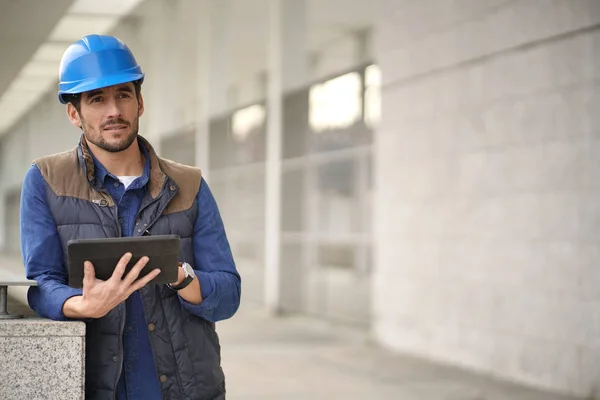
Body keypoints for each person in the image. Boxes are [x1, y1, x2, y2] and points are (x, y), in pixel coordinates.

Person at [20, 34, 241, 400]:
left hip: (187, 389)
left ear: (140, 103)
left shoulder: (188, 184)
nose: (113, 111)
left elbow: (229, 294)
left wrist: (181, 276)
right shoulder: (45, 181)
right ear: (74, 113)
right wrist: (80, 305)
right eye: (96, 99)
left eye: (123, 94)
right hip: (99, 387)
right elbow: (42, 284)